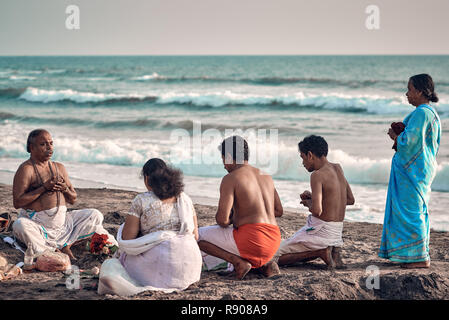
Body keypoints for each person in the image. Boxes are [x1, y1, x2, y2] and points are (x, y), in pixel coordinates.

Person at [99, 158, 202, 294]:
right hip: (191, 267)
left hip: (162, 266)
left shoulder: (141, 200)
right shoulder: (185, 198)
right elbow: (195, 236)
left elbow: (128, 238)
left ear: (147, 179)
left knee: (111, 265)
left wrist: (145, 236)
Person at [12, 129, 117, 260]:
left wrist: (65, 189)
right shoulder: (26, 169)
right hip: (38, 225)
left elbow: (73, 199)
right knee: (19, 225)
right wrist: (44, 187)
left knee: (95, 215)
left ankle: (65, 244)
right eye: (43, 144)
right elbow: (17, 202)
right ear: (31, 147)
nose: (49, 147)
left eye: (51, 143)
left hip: (64, 226)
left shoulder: (59, 167)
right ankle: (50, 250)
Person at [198, 136, 283, 280]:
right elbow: (279, 211)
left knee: (198, 236)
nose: (224, 165)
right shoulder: (266, 175)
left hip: (252, 240)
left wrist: (236, 217)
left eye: (223, 159)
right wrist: (247, 214)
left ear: (229, 157)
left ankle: (238, 263)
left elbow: (222, 220)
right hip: (274, 240)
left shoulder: (231, 178)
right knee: (235, 236)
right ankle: (264, 264)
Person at [379, 74, 441, 269]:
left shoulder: (423, 113)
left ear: (421, 91)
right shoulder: (428, 113)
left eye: (409, 89)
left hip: (414, 172)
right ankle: (411, 255)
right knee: (414, 210)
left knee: (411, 211)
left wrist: (395, 136)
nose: (406, 93)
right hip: (418, 170)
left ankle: (419, 258)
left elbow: (409, 142)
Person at [274, 135, 355, 269]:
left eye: (303, 158)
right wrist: (315, 198)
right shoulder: (338, 168)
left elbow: (317, 210)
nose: (303, 163)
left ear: (310, 155)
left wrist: (308, 203)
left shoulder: (317, 175)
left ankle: (320, 251)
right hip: (335, 234)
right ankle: (328, 251)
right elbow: (350, 200)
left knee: (271, 256)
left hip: (320, 232)